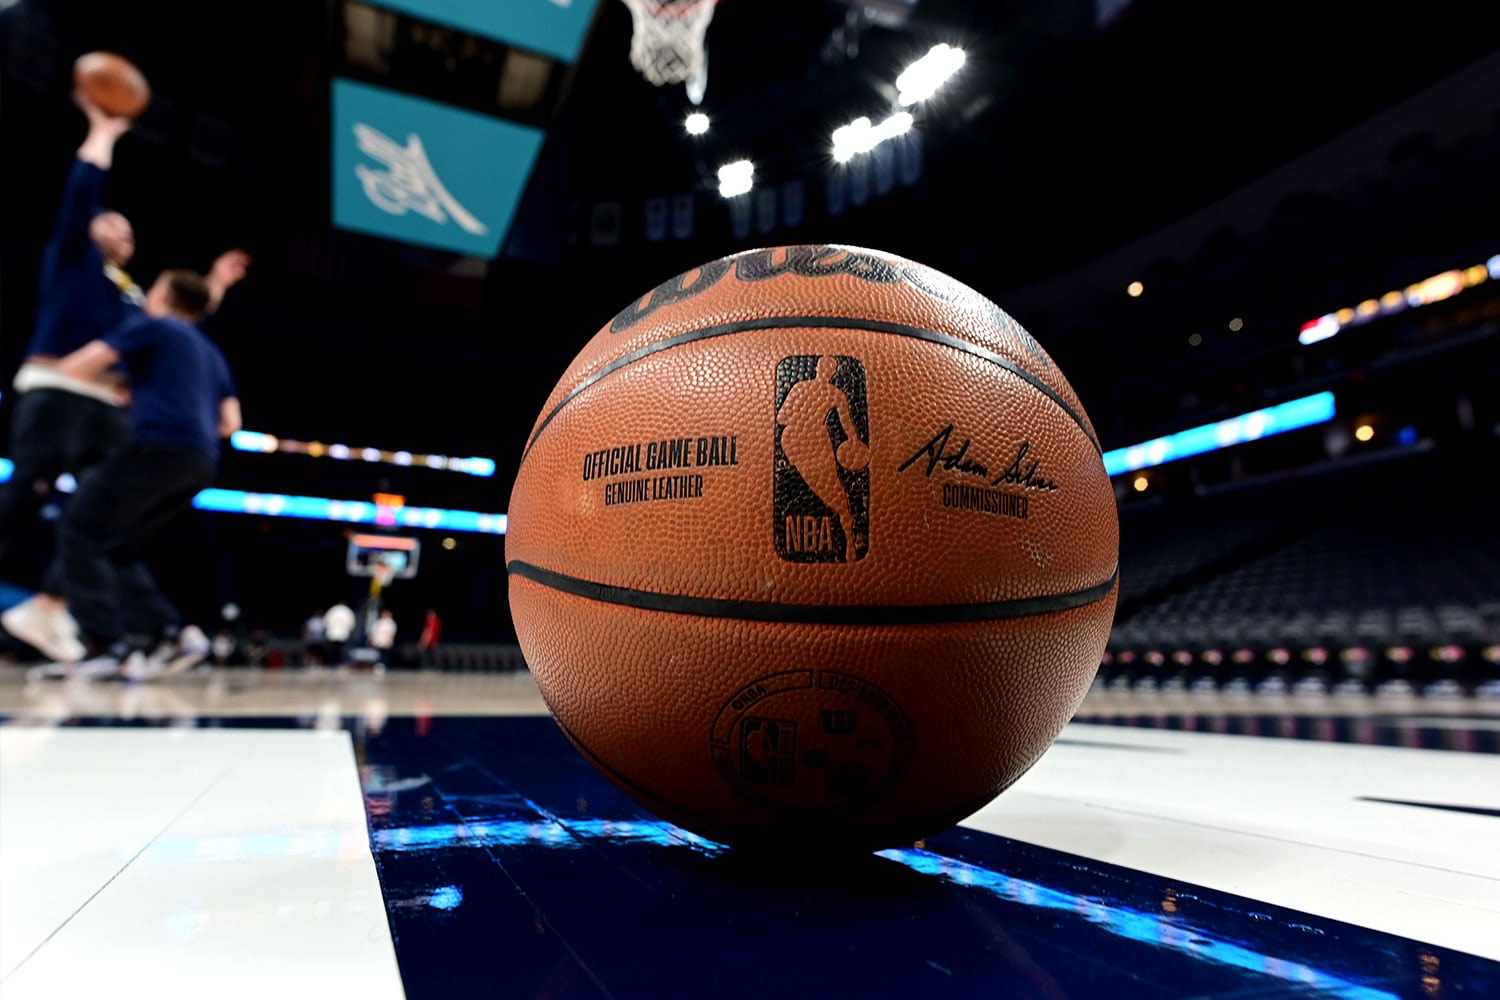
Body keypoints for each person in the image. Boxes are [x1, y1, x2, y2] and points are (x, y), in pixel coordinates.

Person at [0, 90, 249, 663]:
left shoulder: (133, 299)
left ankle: (80, 617)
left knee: (98, 520)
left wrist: (214, 282)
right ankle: (77, 618)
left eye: (129, 230)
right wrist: (104, 134)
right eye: (111, 221)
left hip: (107, 409)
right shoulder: (72, 258)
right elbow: (80, 193)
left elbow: (178, 320)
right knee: (26, 503)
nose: (122, 229)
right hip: (56, 396)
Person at [24, 269, 241, 679]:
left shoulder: (152, 328)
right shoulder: (211, 353)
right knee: (115, 544)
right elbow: (231, 423)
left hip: (158, 447)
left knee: (78, 528)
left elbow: (76, 367)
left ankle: (106, 645)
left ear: (163, 296)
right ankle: (172, 632)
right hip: (200, 461)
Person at [323, 602, 356, 668]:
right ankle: (339, 663)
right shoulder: (347, 611)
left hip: (332, 634)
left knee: (333, 650)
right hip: (343, 634)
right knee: (341, 650)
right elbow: (352, 624)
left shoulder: (332, 610)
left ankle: (332, 664)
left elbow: (325, 622)